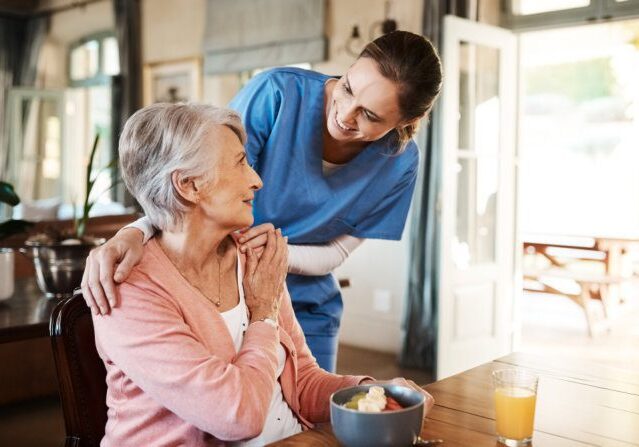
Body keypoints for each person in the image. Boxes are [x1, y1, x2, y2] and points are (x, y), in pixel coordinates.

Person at [82, 30, 443, 372]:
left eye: (370, 115)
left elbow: (337, 253)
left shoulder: (400, 164)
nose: (345, 115)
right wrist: (136, 231)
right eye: (347, 88)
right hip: (222, 291)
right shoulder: (277, 94)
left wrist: (272, 259)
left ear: (407, 120)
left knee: (310, 426)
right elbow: (194, 181)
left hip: (306, 304)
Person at [90, 103, 433, 446]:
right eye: (241, 163)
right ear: (189, 185)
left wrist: (374, 392)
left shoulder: (253, 258)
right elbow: (239, 416)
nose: (256, 180)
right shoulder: (128, 290)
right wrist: (264, 314)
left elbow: (303, 383)